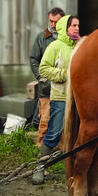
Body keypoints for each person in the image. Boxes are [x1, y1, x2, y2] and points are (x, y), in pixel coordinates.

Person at [32, 14, 80, 184]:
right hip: (60, 97)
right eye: (73, 25)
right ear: (64, 28)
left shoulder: (79, 46)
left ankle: (75, 168)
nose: (76, 28)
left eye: (77, 25)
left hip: (77, 99)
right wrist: (64, 74)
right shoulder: (54, 46)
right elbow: (43, 69)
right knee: (54, 132)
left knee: (76, 133)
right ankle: (40, 168)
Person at [29, 7, 65, 147]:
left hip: (62, 87)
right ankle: (42, 151)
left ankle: (60, 151)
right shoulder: (41, 37)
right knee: (45, 120)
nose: (53, 25)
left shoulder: (67, 37)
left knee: (62, 120)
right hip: (47, 88)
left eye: (56, 22)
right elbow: (33, 59)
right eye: (51, 21)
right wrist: (40, 77)